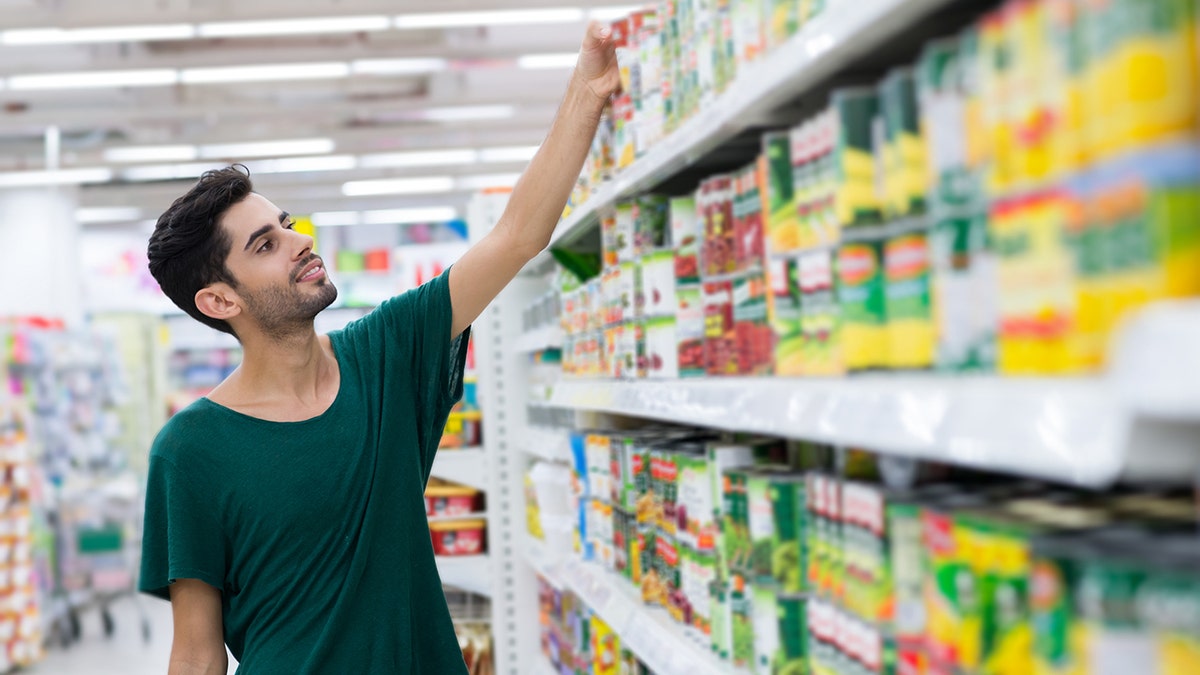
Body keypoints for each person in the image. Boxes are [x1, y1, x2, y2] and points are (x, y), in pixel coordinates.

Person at [138, 22, 619, 675]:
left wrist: (587, 90)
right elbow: (196, 653)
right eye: (264, 244)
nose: (298, 240)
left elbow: (515, 236)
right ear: (221, 301)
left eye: (285, 224)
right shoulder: (189, 451)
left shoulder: (385, 356)